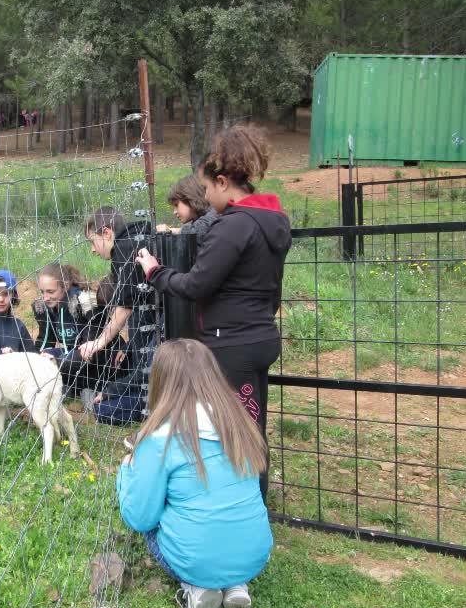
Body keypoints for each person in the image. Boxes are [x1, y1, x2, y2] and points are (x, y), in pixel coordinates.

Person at [135, 125, 292, 497]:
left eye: (206, 188)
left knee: (237, 428)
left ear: (223, 182)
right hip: (260, 336)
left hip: (232, 344)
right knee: (252, 422)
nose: (205, 196)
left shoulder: (232, 227)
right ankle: (249, 500)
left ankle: (246, 504)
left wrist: (156, 273)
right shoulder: (274, 220)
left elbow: (196, 285)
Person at [117, 338, 272, 608]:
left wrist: (127, 471)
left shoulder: (159, 441)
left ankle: (197, 588)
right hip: (254, 556)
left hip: (195, 558)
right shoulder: (241, 426)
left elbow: (140, 518)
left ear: (160, 382)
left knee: (156, 517)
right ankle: (236, 585)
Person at [79, 206, 155, 426]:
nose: (93, 250)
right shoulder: (139, 239)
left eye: (92, 241)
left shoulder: (124, 248)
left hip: (158, 352)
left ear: (106, 233)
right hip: (159, 331)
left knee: (104, 410)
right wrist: (129, 346)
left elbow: (125, 307)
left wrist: (98, 343)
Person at [31, 262, 111, 400]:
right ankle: (70, 387)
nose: (45, 297)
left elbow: (91, 345)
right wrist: (38, 357)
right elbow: (45, 340)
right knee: (40, 358)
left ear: (65, 286)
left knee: (67, 360)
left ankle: (86, 387)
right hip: (69, 354)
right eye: (42, 292)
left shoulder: (83, 301)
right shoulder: (44, 306)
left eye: (51, 291)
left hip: (96, 356)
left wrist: (56, 361)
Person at [155, 173, 220, 237]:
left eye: (176, 205)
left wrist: (170, 230)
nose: (174, 212)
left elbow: (198, 230)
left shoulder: (216, 214)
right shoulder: (200, 218)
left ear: (190, 199)